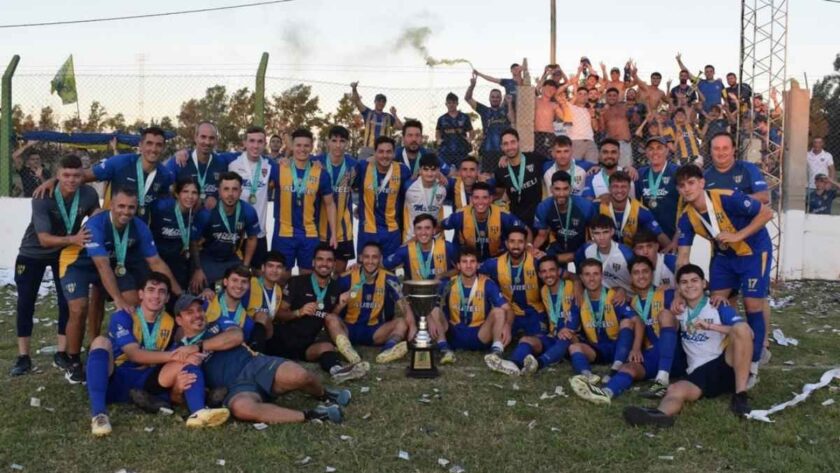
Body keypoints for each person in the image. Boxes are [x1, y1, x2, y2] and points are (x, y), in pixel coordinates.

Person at [59, 188, 182, 384]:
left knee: (132, 302)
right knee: (79, 307)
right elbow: (101, 266)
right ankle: (73, 360)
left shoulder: (139, 226)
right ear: (111, 206)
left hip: (114, 264)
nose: (126, 211)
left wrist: (180, 293)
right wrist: (117, 299)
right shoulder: (96, 225)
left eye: (131, 207)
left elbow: (156, 262)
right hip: (79, 265)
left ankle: (125, 349)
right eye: (121, 206)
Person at [85, 273, 230, 436]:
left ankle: (198, 412)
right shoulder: (124, 316)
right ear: (141, 294)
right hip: (117, 377)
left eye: (161, 291)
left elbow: (195, 330)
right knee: (100, 342)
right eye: (151, 290)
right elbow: (133, 354)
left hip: (148, 379)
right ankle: (99, 415)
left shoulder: (171, 322)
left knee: (190, 359)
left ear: (167, 298)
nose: (156, 295)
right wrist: (174, 355)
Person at [174, 293, 350, 424]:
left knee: (299, 375)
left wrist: (199, 347)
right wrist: (178, 388)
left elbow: (236, 336)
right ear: (179, 320)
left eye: (199, 310)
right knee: (241, 409)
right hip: (234, 388)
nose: (197, 315)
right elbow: (176, 385)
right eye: (190, 312)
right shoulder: (177, 350)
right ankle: (313, 415)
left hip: (255, 365)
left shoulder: (218, 323)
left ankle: (324, 394)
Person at [675, 164, 773, 382]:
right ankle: (730, 353)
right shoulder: (686, 217)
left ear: (702, 183)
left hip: (754, 251)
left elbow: (767, 213)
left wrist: (738, 235)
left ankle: (753, 363)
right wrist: (677, 293)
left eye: (691, 183)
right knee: (717, 302)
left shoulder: (727, 197)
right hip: (724, 256)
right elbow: (682, 258)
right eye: (681, 186)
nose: (687, 189)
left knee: (752, 305)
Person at [623, 264, 754, 427]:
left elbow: (747, 333)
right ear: (678, 287)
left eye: (694, 280)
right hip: (698, 372)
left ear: (704, 283)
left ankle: (740, 396)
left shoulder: (717, 305)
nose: (690, 285)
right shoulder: (679, 310)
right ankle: (658, 416)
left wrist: (711, 326)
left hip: (725, 364)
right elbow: (666, 320)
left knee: (741, 328)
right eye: (684, 282)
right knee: (675, 389)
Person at [11, 155, 100, 376]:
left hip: (64, 253)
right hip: (33, 252)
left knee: (66, 302)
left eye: (76, 175)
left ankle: (61, 353)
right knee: (26, 302)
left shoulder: (89, 194)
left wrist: (100, 219)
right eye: (66, 175)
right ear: (57, 175)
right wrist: (74, 239)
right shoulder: (42, 195)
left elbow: (97, 218)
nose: (71, 180)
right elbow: (43, 239)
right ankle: (23, 357)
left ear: (83, 175)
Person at [570, 257, 683, 404]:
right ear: (630, 277)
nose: (641, 276)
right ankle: (606, 393)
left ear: (652, 274)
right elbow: (619, 296)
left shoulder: (667, 293)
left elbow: (687, 292)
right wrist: (636, 349)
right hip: (650, 356)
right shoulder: (631, 301)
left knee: (665, 314)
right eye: (636, 273)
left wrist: (678, 293)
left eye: (645, 271)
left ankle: (662, 380)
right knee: (628, 367)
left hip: (673, 354)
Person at [267, 244, 369, 383]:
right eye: (320, 259)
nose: (324, 264)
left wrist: (340, 305)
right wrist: (298, 312)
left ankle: (338, 371)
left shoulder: (335, 287)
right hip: (285, 338)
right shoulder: (297, 282)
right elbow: (279, 313)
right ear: (313, 262)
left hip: (308, 344)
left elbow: (328, 318)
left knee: (327, 348)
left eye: (329, 260)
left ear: (334, 264)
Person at [34, 127, 174, 224]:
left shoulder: (165, 175)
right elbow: (83, 176)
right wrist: (54, 180)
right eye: (149, 143)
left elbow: (164, 201)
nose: (153, 149)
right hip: (112, 227)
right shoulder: (119, 163)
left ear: (163, 148)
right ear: (140, 145)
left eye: (158, 145)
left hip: (141, 231)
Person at [428, 247, 511, 366]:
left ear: (478, 265)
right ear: (458, 265)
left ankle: (496, 352)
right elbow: (430, 305)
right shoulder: (449, 284)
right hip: (454, 334)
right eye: (464, 262)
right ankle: (444, 349)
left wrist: (507, 325)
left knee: (499, 311)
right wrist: (430, 320)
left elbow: (507, 308)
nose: (468, 265)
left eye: (472, 261)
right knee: (434, 310)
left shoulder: (487, 284)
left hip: (480, 335)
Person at [335, 242, 414, 364]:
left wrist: (412, 327)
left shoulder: (390, 279)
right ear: (360, 258)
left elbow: (404, 305)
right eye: (367, 257)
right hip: (347, 329)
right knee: (330, 319)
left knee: (401, 323)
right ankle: (347, 350)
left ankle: (388, 350)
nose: (370, 261)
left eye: (375, 257)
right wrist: (340, 304)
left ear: (380, 258)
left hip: (375, 331)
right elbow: (332, 313)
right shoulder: (346, 278)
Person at [271, 128, 337, 273]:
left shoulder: (321, 173)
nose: (302, 149)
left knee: (306, 278)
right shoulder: (279, 169)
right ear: (292, 147)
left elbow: (330, 204)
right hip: (283, 233)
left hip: (309, 234)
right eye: (298, 145)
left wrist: (334, 233)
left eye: (306, 145)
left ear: (311, 146)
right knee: (281, 277)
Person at [565, 258, 635, 384]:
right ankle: (587, 376)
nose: (591, 278)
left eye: (595, 274)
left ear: (602, 276)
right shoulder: (579, 299)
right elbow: (571, 329)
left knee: (627, 322)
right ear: (581, 277)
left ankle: (616, 368)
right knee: (574, 346)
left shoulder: (614, 296)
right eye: (587, 274)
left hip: (618, 347)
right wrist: (567, 331)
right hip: (595, 349)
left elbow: (634, 321)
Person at [506, 256, 579, 375]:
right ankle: (513, 364)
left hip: (573, 336)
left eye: (551, 270)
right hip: (554, 336)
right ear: (539, 275)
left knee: (565, 337)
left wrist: (569, 327)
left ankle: (539, 363)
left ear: (558, 271)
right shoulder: (544, 290)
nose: (548, 274)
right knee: (526, 340)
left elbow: (577, 310)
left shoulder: (572, 286)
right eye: (544, 271)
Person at [192, 172, 261, 291]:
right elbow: (193, 241)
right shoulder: (206, 213)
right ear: (219, 191)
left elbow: (252, 238)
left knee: (244, 285)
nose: (230, 194)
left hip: (232, 258)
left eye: (235, 189)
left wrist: (245, 265)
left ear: (240, 191)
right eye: (226, 189)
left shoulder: (248, 211)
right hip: (208, 258)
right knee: (202, 288)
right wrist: (197, 269)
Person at [226, 126, 278, 268]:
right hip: (233, 233)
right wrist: (183, 153)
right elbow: (208, 155)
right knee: (233, 273)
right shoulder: (231, 161)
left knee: (258, 273)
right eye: (252, 141)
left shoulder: (270, 165)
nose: (255, 146)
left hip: (258, 233)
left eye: (260, 141)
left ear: (265, 144)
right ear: (244, 143)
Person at [479, 228, 546, 338]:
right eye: (512, 241)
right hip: (509, 313)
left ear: (526, 244)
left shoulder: (537, 261)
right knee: (499, 338)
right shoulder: (494, 264)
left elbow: (558, 273)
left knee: (539, 340)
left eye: (520, 242)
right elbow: (471, 270)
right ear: (506, 243)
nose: (516, 246)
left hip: (535, 312)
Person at [354, 136, 412, 256]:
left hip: (391, 232)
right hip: (368, 231)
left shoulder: (403, 170)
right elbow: (348, 185)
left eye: (388, 152)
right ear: (375, 153)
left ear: (394, 153)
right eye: (381, 151)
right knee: (365, 265)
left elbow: (411, 195)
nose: (385, 155)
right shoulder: (363, 167)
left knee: (390, 266)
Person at [441, 182, 526, 262]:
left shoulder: (502, 215)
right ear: (471, 199)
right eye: (476, 198)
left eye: (484, 198)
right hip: (467, 263)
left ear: (490, 199)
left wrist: (529, 247)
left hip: (496, 263)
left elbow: (526, 230)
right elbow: (439, 226)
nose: (480, 202)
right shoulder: (460, 215)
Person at [315, 125, 358, 274]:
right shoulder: (315, 162)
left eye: (342, 141)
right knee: (318, 271)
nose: (338, 145)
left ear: (347, 143)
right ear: (328, 142)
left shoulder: (354, 165)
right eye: (334, 140)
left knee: (338, 273)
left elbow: (364, 186)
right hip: (317, 228)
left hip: (343, 230)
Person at [532, 171, 595, 266]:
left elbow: (594, 237)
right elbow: (542, 235)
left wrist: (586, 251)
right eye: (557, 189)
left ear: (570, 189)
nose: (561, 194)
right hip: (557, 249)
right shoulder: (543, 207)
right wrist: (532, 250)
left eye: (565, 189)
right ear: (551, 189)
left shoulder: (586, 207)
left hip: (580, 250)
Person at [165, 122, 232, 210]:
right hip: (184, 214)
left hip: (210, 215)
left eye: (211, 138)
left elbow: (244, 154)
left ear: (216, 140)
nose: (207, 142)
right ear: (195, 137)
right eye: (203, 137)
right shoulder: (179, 160)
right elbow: (164, 189)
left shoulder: (222, 162)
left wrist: (219, 200)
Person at [149, 179, 200, 294]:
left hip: (179, 263)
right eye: (185, 191)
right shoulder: (161, 208)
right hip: (158, 261)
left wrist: (198, 268)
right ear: (177, 194)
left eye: (194, 192)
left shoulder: (195, 214)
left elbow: (193, 241)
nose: (190, 196)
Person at [204, 265, 272, 352]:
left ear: (249, 286)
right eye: (234, 280)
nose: (239, 285)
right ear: (225, 282)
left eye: (244, 282)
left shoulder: (247, 322)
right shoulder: (207, 303)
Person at [599, 171, 669, 248]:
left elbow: (659, 234)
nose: (619, 190)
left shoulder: (640, 210)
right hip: (605, 250)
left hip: (630, 252)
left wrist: (671, 249)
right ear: (609, 188)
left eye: (623, 187)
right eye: (615, 186)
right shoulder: (600, 205)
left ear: (629, 188)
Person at [494, 128, 546, 231]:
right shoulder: (500, 171)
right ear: (501, 147)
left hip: (538, 217)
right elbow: (499, 193)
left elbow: (554, 165)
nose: (510, 147)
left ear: (518, 142)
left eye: (513, 142)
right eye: (506, 144)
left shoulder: (534, 158)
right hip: (516, 219)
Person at [465, 73, 515, 173]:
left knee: (503, 176)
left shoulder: (505, 110)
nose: (495, 99)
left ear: (501, 98)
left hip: (503, 150)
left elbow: (512, 119)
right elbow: (468, 98)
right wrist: (472, 85)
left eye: (497, 97)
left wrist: (509, 103)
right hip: (487, 150)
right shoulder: (484, 110)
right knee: (486, 176)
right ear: (489, 98)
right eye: (493, 97)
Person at [385, 215, 457, 281]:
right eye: (419, 228)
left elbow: (460, 269)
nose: (423, 232)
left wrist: (444, 275)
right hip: (415, 290)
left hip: (442, 291)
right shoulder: (405, 251)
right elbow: (383, 266)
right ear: (414, 231)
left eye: (427, 228)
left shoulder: (447, 247)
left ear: (434, 231)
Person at [635, 137, 681, 241]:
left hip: (674, 234)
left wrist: (678, 236)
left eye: (659, 148)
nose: (655, 152)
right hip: (649, 235)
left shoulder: (677, 172)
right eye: (651, 149)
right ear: (646, 152)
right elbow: (636, 204)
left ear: (667, 151)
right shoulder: (640, 173)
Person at [704, 133, 769, 204]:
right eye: (716, 149)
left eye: (725, 148)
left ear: (733, 150)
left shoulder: (748, 169)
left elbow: (764, 197)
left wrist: (736, 200)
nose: (721, 153)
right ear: (710, 151)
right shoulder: (705, 177)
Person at [575, 215, 634, 291]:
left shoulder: (626, 254)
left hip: (627, 295)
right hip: (601, 294)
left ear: (612, 232)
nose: (601, 237)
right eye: (597, 233)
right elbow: (579, 272)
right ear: (591, 234)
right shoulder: (586, 249)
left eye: (605, 232)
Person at [350, 82, 402, 159]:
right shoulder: (368, 112)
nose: (381, 103)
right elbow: (357, 101)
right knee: (362, 166)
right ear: (375, 102)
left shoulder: (388, 117)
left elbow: (400, 127)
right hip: (368, 149)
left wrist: (394, 114)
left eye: (383, 101)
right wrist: (354, 89)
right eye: (379, 101)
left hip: (384, 150)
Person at [403, 154, 448, 241]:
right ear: (420, 170)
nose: (429, 173)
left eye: (433, 170)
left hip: (435, 237)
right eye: (426, 169)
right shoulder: (408, 186)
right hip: (412, 237)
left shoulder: (444, 187)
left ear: (439, 170)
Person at [244, 251, 287, 337]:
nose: (274, 270)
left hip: (266, 331)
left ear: (283, 270)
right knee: (262, 316)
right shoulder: (250, 284)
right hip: (245, 328)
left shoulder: (278, 290)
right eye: (270, 266)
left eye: (279, 267)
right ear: (263, 268)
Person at [557, 87, 598, 163]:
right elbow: (558, 94)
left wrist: (593, 116)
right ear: (576, 96)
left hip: (590, 142)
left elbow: (595, 128)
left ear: (587, 97)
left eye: (585, 94)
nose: (583, 96)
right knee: (574, 167)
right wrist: (569, 83)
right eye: (580, 94)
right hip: (575, 141)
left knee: (592, 167)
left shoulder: (589, 110)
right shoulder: (570, 107)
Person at [436, 92, 474, 167]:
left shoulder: (464, 117)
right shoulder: (441, 119)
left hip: (461, 151)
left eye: (453, 102)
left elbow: (471, 131)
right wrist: (438, 140)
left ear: (457, 103)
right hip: (445, 151)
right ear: (446, 104)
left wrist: (470, 139)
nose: (451, 105)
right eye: (449, 103)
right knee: (445, 171)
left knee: (462, 171)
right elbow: (438, 132)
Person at [599, 87, 633, 168]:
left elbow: (636, 122)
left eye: (614, 95)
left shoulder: (624, 107)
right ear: (606, 97)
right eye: (609, 95)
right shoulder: (603, 110)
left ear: (617, 97)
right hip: (611, 145)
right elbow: (602, 129)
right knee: (611, 168)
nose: (612, 97)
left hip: (624, 142)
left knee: (626, 169)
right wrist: (601, 116)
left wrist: (632, 111)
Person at [534, 80, 560, 158]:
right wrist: (545, 75)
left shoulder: (554, 104)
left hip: (549, 134)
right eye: (548, 88)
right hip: (535, 134)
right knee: (536, 158)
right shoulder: (534, 100)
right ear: (542, 88)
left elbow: (563, 117)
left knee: (549, 158)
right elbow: (532, 92)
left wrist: (562, 103)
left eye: (553, 89)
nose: (550, 91)